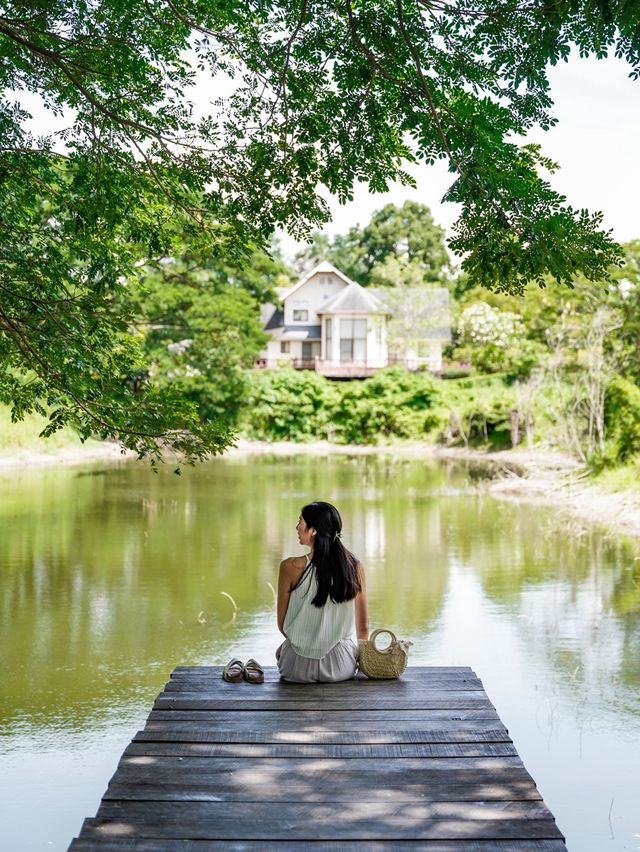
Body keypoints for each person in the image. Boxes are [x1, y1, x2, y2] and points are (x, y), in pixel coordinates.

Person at [276, 501, 369, 683]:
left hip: (297, 668)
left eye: (300, 522)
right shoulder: (355, 567)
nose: (297, 527)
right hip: (341, 667)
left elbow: (282, 625)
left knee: (282, 651)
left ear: (313, 530)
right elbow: (363, 628)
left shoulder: (289, 567)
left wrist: (306, 645)